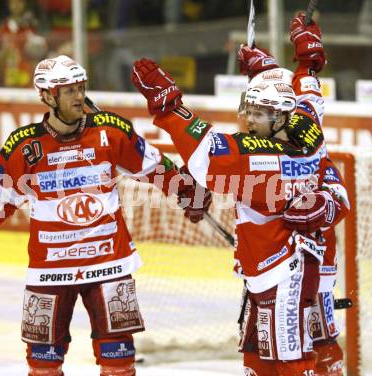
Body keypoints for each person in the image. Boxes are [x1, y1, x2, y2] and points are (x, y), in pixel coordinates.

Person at [0, 54, 211, 376]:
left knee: (119, 364)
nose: (79, 96)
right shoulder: (23, 146)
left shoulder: (110, 131)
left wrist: (187, 192)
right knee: (43, 365)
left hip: (109, 263)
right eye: (68, 90)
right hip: (50, 268)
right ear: (46, 96)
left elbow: (154, 167)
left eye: (81, 88)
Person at [131, 13, 348, 376]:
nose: (248, 119)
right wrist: (285, 69)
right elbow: (309, 96)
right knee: (262, 355)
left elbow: (207, 152)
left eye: (258, 113)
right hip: (285, 264)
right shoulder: (306, 129)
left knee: (295, 359)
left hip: (285, 271)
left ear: (279, 117)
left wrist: (169, 107)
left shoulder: (259, 158)